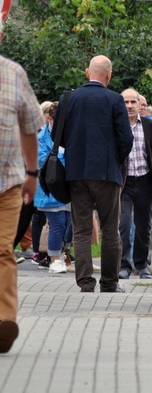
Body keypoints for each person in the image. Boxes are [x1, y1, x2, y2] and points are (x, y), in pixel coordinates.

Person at [57, 55, 134, 293]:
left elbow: (55, 137)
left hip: (76, 173)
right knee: (110, 229)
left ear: (87, 72)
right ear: (108, 76)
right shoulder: (114, 100)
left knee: (81, 230)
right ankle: (109, 283)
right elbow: (126, 139)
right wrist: (114, 159)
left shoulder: (68, 99)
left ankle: (85, 283)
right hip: (107, 174)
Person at [0, 23, 45, 352]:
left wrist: (32, 171)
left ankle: (4, 321)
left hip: (8, 183)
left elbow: (31, 126)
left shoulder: (14, 74)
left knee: (2, 250)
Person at [118, 89, 152, 280]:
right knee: (124, 224)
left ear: (139, 103)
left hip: (145, 180)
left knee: (144, 226)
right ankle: (124, 264)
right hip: (123, 182)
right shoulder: (116, 126)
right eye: (125, 102)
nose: (129, 106)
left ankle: (141, 265)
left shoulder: (151, 126)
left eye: (133, 102)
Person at [33, 101, 73, 274]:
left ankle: (64, 254)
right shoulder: (41, 137)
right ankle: (54, 259)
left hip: (69, 185)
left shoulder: (71, 133)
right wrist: (61, 155)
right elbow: (41, 160)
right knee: (58, 222)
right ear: (49, 118)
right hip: (51, 186)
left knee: (69, 223)